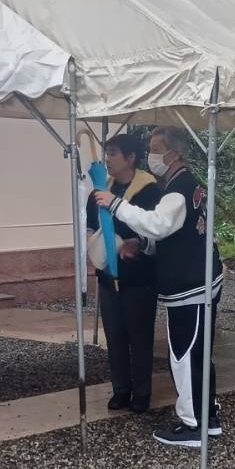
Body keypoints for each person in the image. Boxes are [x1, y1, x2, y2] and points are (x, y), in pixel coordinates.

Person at [93, 127, 223, 448]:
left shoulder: (178, 189)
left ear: (172, 154)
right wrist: (143, 244)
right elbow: (174, 233)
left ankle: (192, 424)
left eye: (155, 149)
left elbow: (159, 224)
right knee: (198, 352)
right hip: (197, 279)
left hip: (190, 284)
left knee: (184, 354)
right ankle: (208, 416)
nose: (151, 156)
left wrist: (115, 204)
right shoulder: (187, 185)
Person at [84, 133, 162, 413]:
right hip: (108, 277)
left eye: (113, 153)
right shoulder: (99, 191)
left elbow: (157, 231)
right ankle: (121, 390)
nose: (107, 159)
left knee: (139, 338)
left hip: (139, 278)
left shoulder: (150, 191)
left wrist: (137, 243)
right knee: (115, 336)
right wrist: (93, 247)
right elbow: (91, 226)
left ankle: (141, 393)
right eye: (106, 152)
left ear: (130, 158)